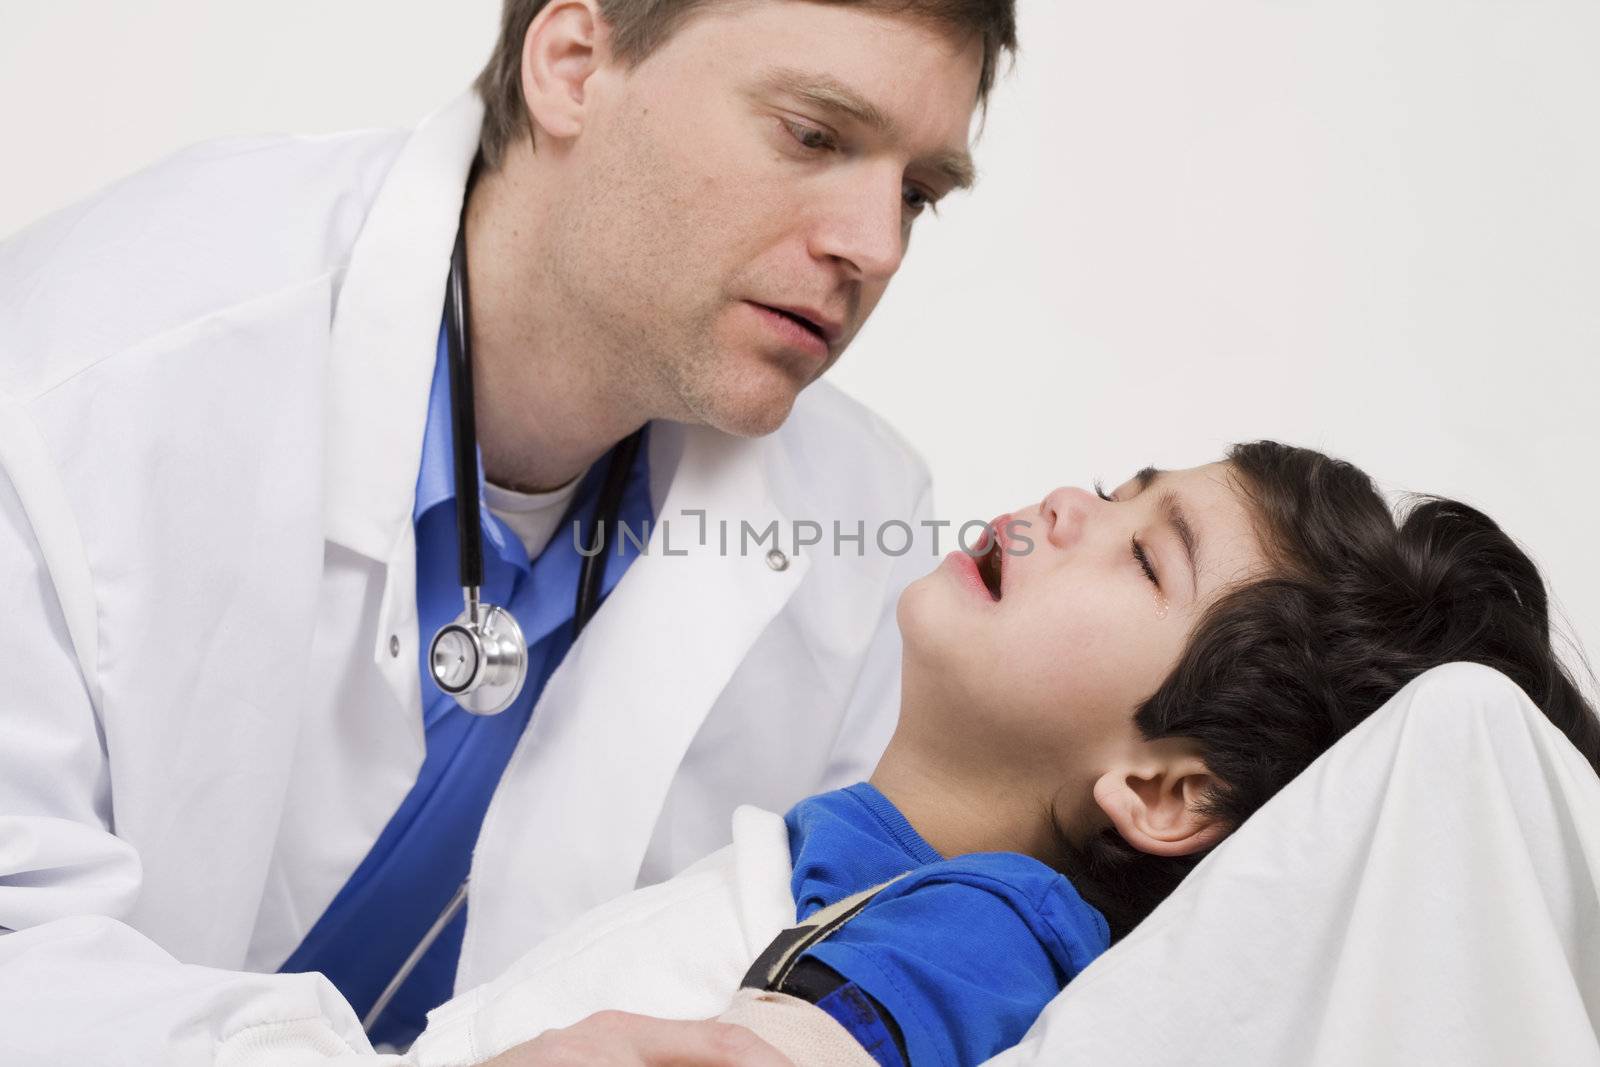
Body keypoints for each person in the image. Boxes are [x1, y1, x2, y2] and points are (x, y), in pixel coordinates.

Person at [0, 1, 1017, 1063]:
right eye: (813, 135)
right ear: (573, 66)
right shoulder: (85, 370)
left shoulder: (865, 524)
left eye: (917, 193)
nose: (875, 246)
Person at [404, 441, 1600, 1067]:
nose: (1069, 509)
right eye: (1109, 487)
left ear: (1165, 789)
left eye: (1145, 555)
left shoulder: (990, 928)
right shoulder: (859, 867)